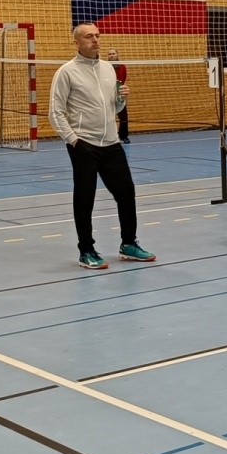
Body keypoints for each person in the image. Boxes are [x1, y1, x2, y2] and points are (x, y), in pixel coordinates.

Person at [50, 23, 155, 269]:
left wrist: (121, 99)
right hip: (83, 144)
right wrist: (74, 140)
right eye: (89, 36)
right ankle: (86, 250)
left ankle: (128, 244)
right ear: (77, 42)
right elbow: (56, 112)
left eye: (97, 36)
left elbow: (113, 107)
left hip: (111, 143)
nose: (95, 40)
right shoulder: (66, 72)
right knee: (85, 198)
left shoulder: (109, 68)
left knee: (126, 193)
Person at [105, 49, 130, 142]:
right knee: (107, 116)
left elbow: (123, 79)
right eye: (110, 54)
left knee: (123, 116)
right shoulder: (105, 67)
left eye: (113, 53)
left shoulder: (122, 66)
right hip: (107, 93)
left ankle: (123, 136)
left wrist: (120, 90)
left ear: (117, 55)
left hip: (119, 93)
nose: (112, 55)